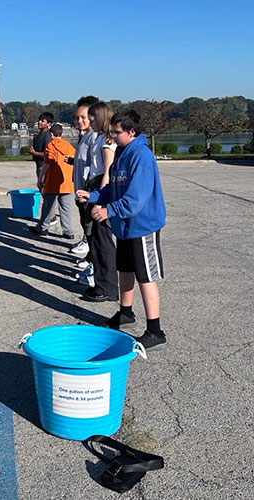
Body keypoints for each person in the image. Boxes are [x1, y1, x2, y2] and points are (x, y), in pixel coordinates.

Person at [76, 110, 166, 351]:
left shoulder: (142, 156)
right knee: (124, 269)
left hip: (142, 226)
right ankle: (125, 313)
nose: (113, 137)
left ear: (131, 132)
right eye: (112, 132)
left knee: (145, 277)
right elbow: (112, 188)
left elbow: (136, 198)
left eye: (117, 133)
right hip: (124, 226)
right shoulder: (122, 154)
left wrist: (108, 211)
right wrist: (93, 196)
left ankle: (155, 331)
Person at [82, 101, 118, 302]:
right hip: (93, 188)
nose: (90, 121)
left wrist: (100, 201)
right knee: (95, 241)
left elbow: (107, 172)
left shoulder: (107, 141)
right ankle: (100, 282)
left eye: (92, 118)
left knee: (102, 241)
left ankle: (108, 287)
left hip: (100, 190)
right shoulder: (97, 138)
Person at [29, 123, 75, 238]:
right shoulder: (69, 146)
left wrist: (40, 179)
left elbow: (47, 164)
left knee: (48, 206)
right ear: (61, 133)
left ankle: (43, 227)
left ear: (51, 134)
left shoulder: (51, 146)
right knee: (66, 208)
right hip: (67, 182)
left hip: (53, 181)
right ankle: (68, 231)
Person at [66, 96, 98, 259]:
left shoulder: (93, 137)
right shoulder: (84, 136)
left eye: (83, 117)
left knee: (91, 228)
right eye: (77, 118)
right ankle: (90, 256)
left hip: (87, 192)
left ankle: (92, 260)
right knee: (85, 224)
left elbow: (95, 166)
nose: (79, 120)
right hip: (79, 190)